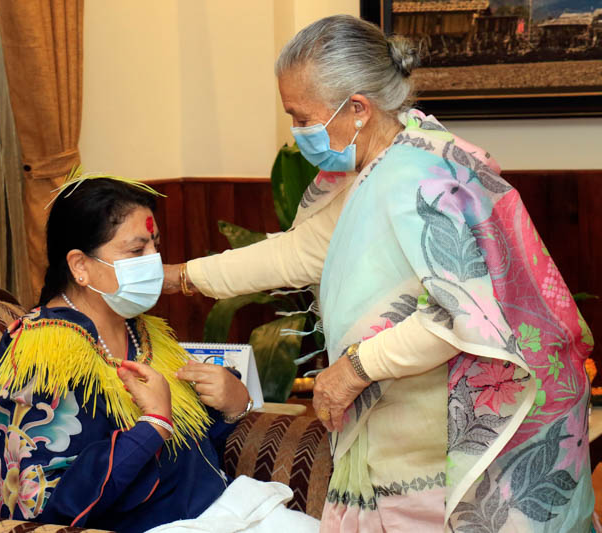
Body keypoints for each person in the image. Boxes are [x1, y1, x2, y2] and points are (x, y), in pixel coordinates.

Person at [164, 15, 594, 532]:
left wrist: (353, 369)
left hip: (442, 436)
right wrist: (177, 277)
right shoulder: (375, 163)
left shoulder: (420, 175)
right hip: (401, 428)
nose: (298, 132)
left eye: (302, 117)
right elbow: (300, 253)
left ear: (359, 109)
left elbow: (462, 312)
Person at [0, 173, 320, 533]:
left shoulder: (141, 329)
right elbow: (49, 508)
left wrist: (233, 406)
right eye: (137, 250)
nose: (154, 262)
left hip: (213, 511)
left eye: (155, 246)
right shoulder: (42, 354)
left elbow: (187, 455)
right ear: (80, 266)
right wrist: (153, 423)